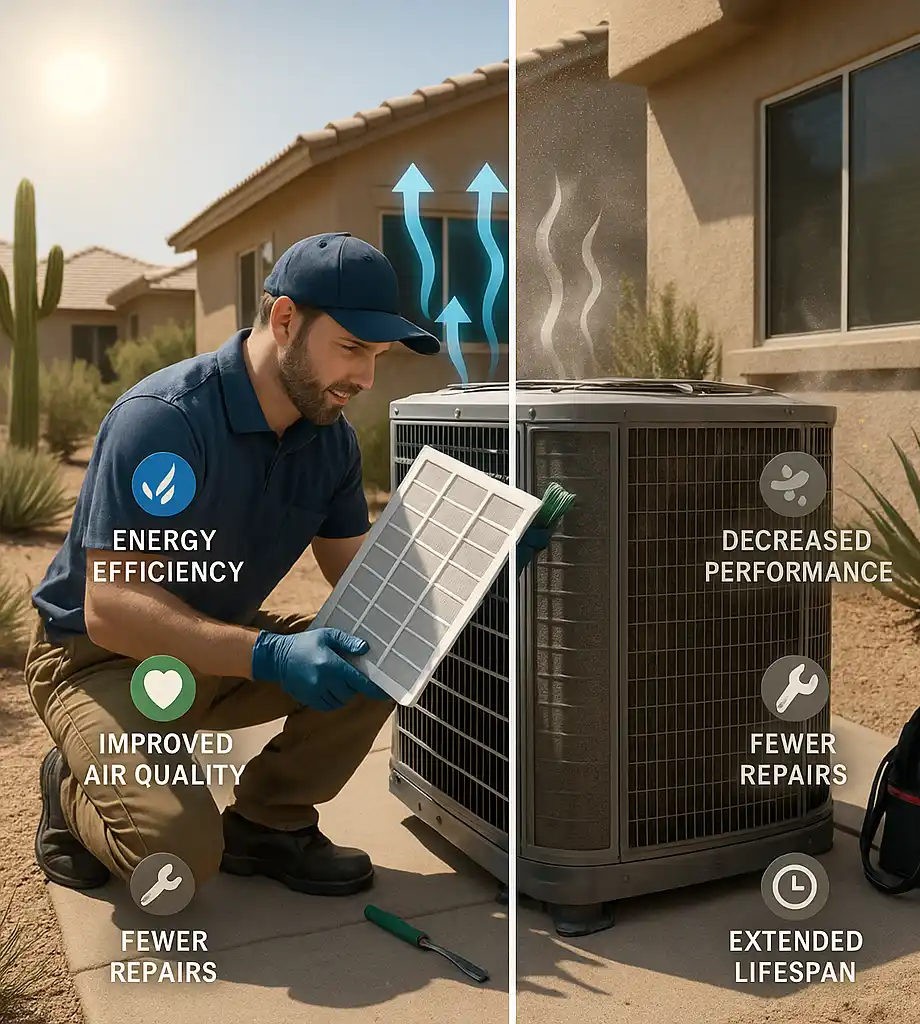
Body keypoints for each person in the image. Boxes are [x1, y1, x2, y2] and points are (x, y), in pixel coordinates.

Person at [25, 231, 547, 899]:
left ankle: (269, 821)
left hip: (219, 643)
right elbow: (110, 608)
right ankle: (71, 784)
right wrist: (270, 656)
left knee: (380, 644)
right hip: (97, 659)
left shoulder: (330, 443)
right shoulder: (164, 420)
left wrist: (482, 570)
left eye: (378, 356)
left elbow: (360, 579)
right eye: (352, 348)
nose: (365, 377)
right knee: (176, 860)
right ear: (284, 320)